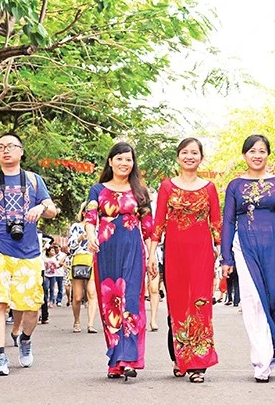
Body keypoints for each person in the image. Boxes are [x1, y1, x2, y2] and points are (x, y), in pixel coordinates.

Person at [220, 134, 275, 383]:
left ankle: (272, 348)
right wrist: (225, 257)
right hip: (245, 246)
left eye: (261, 151)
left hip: (274, 246)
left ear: (267, 154)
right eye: (252, 151)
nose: (257, 155)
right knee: (252, 299)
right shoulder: (235, 185)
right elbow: (228, 222)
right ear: (244, 155)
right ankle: (260, 361)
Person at [0, 132, 57, 376]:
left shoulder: (33, 180)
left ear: (21, 151)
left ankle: (25, 339)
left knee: (32, 307)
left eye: (10, 146)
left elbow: (52, 210)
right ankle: (0, 357)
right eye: (0, 147)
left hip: (28, 252)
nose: (5, 151)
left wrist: (40, 207)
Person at [148, 137, 221, 384]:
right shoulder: (167, 186)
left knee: (200, 304)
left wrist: (222, 253)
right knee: (178, 305)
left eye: (194, 153)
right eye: (185, 152)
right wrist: (151, 254)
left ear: (201, 157)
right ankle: (181, 358)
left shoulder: (209, 188)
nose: (190, 156)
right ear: (178, 157)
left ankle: (198, 364)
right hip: (175, 251)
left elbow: (216, 223)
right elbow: (158, 224)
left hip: (202, 252)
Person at [85, 142, 154, 381]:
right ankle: (115, 360)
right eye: (120, 158)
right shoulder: (97, 189)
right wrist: (91, 237)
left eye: (129, 159)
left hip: (133, 249)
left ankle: (130, 359)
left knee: (131, 302)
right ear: (110, 161)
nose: (125, 163)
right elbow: (90, 216)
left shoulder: (140, 192)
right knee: (109, 303)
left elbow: (148, 228)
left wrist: (152, 255)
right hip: (106, 249)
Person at [68, 204, 98, 334]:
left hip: (93, 260)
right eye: (89, 211)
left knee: (92, 293)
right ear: (84, 213)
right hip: (79, 259)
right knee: (78, 297)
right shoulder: (76, 227)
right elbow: (70, 247)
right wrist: (80, 238)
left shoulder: (98, 228)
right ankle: (77, 321)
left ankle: (91, 324)